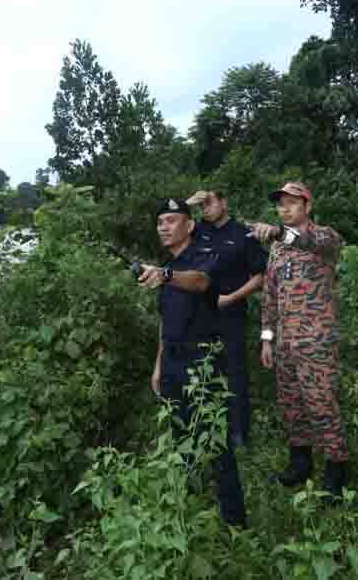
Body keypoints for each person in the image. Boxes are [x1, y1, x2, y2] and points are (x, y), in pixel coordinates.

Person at [140, 198, 246, 528]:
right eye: (160, 222)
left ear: (189, 226)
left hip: (202, 365)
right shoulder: (166, 268)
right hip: (171, 364)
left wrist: (166, 274)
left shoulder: (202, 256)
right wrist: (158, 366)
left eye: (171, 220)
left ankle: (235, 524)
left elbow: (201, 282)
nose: (164, 227)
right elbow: (165, 321)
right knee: (181, 438)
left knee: (217, 444)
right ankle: (189, 510)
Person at [250, 181, 349, 498]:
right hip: (285, 344)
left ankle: (336, 474)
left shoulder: (325, 238)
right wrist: (267, 339)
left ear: (308, 206)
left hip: (316, 343)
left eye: (292, 203)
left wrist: (278, 232)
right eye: (281, 204)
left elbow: (308, 240)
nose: (285, 209)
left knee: (322, 406)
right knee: (292, 407)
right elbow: (270, 296)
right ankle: (300, 464)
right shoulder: (277, 250)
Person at [186, 189, 267, 446]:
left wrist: (232, 297)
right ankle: (206, 428)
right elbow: (173, 229)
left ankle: (239, 432)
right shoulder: (197, 231)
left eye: (209, 202)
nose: (206, 208)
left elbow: (260, 276)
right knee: (202, 368)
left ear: (224, 202)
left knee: (234, 372)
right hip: (200, 313)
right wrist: (188, 204)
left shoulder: (244, 234)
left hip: (231, 313)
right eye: (202, 205)